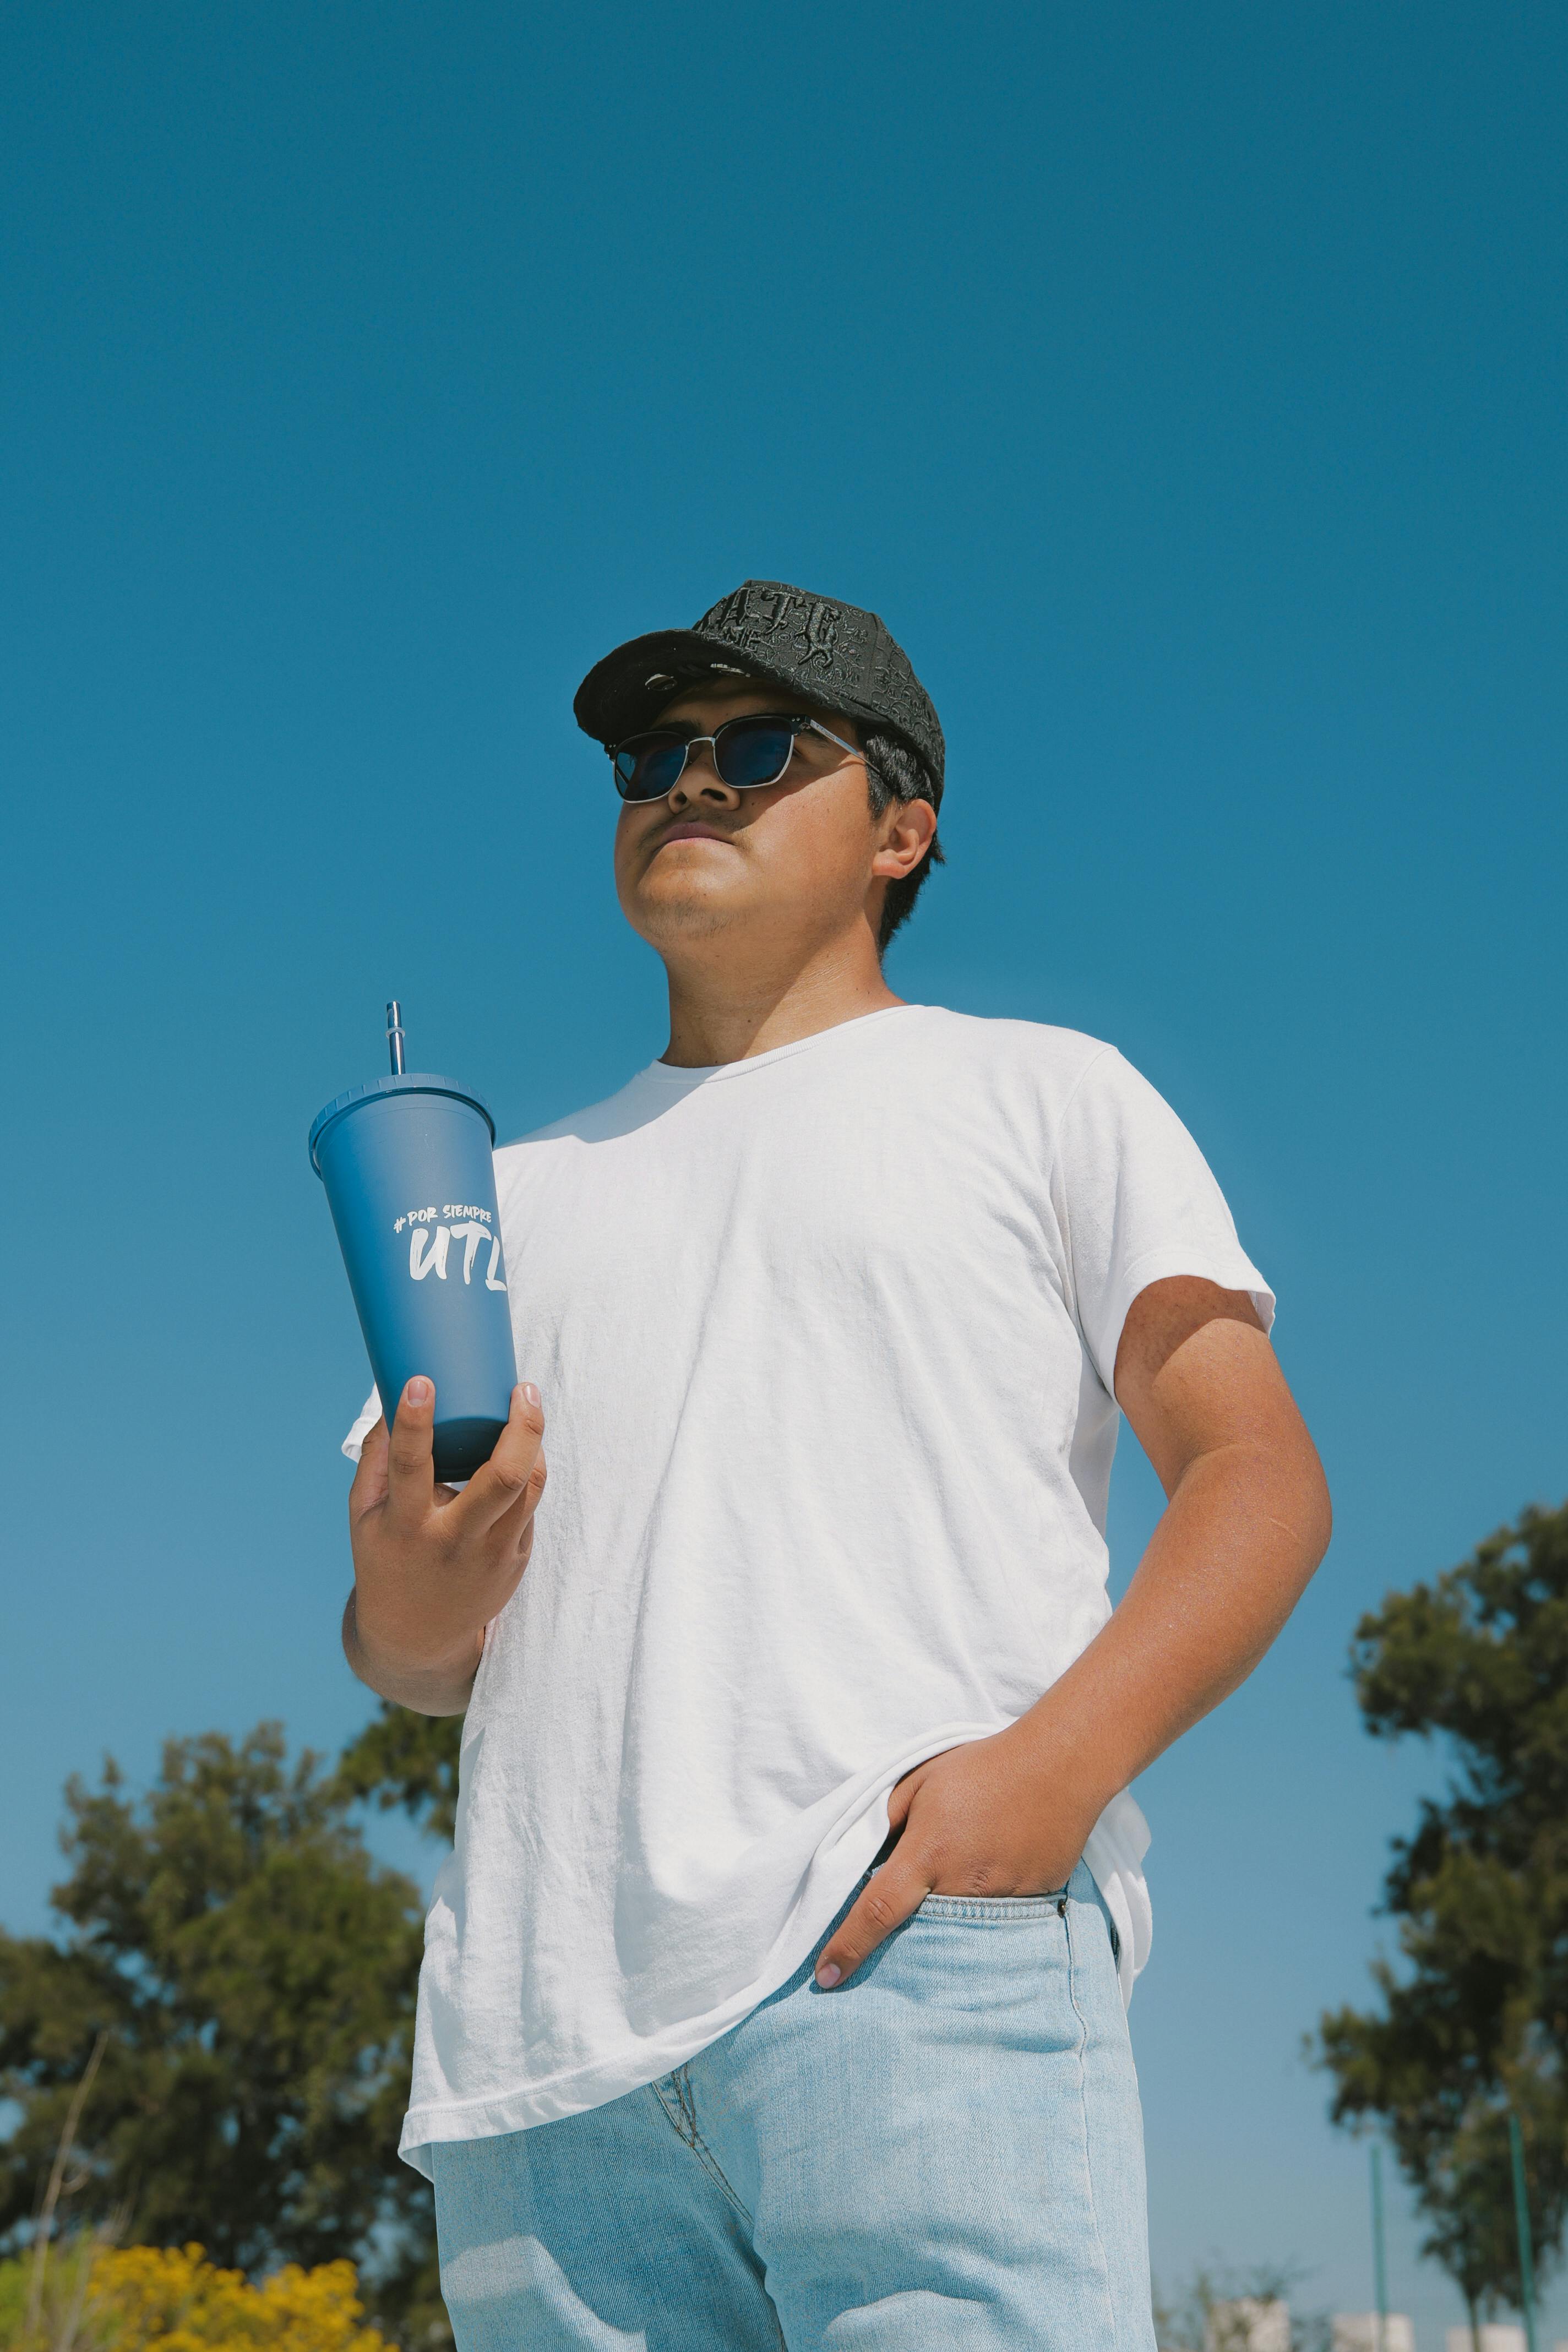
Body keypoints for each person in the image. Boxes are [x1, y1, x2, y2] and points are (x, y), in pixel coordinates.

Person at [340, 579, 1331, 2350]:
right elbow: (417, 1662)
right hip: (541, 2067)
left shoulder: (1045, 1096)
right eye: (654, 756)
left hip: (914, 1965)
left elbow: (1257, 1474)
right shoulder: (499, 1206)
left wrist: (1045, 1782)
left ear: (902, 826)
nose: (689, 784)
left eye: (756, 747)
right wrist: (407, 1605)